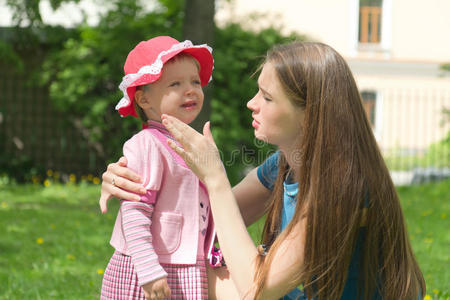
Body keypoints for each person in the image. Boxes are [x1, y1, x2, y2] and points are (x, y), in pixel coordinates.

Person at [100, 41, 425, 299]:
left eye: (267, 98)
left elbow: (257, 291)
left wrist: (215, 179)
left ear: (310, 114)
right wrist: (132, 182)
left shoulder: (342, 188)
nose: (251, 104)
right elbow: (199, 226)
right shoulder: (283, 166)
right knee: (192, 270)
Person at [100, 36, 218, 300]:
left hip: (185, 265)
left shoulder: (193, 145)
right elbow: (135, 211)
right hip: (150, 270)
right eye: (175, 84)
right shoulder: (146, 144)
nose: (190, 90)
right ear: (143, 100)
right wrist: (148, 269)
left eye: (195, 82)